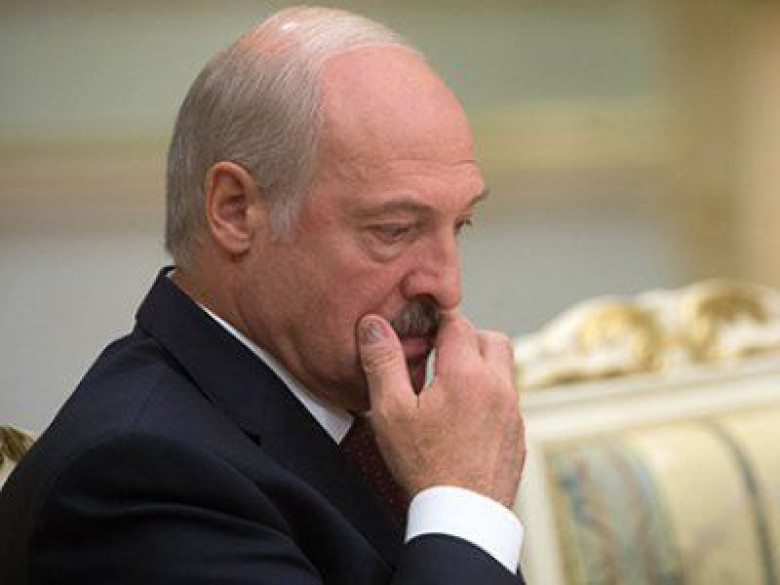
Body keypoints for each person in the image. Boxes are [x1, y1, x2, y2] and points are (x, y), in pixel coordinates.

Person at [0, 6, 526, 584]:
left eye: (460, 226)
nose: (448, 286)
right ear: (235, 211)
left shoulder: (371, 425)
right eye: (394, 230)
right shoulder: (138, 478)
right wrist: (462, 502)